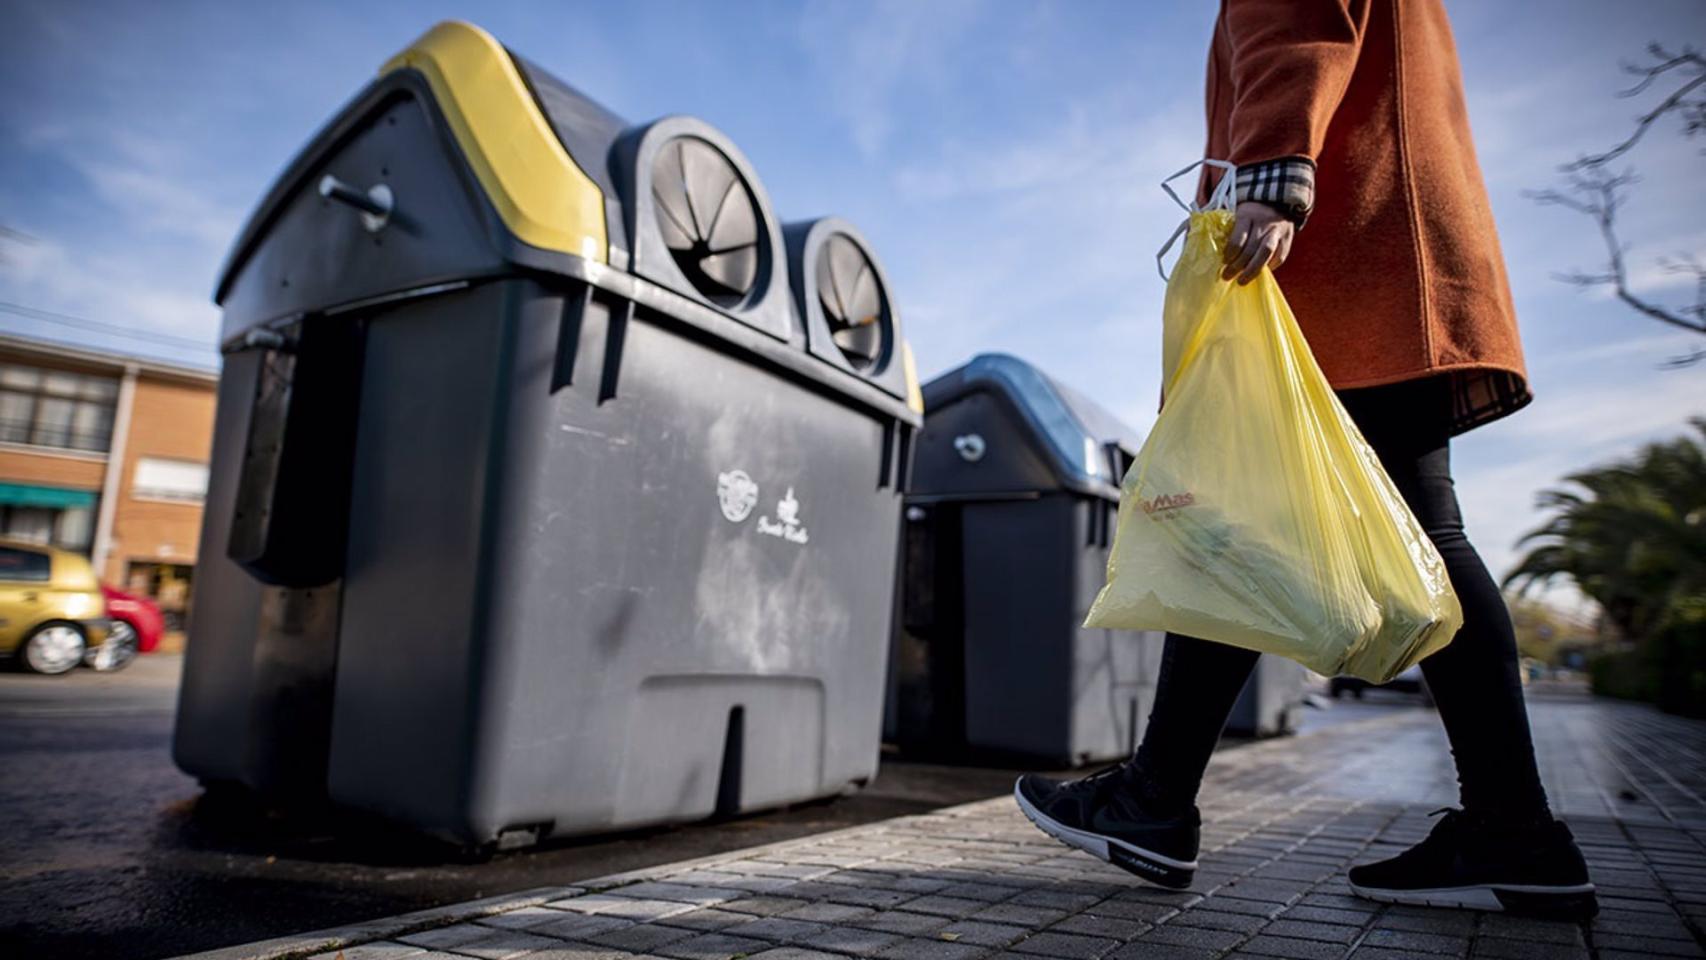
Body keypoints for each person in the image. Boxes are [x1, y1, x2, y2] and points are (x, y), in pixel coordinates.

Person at [1014, 0, 1597, 920]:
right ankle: (1161, 802)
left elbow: (1297, 15)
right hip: (1384, 233)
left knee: (1358, 527)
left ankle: (1508, 831)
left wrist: (1274, 172)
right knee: (1281, 522)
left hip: (1349, 244)